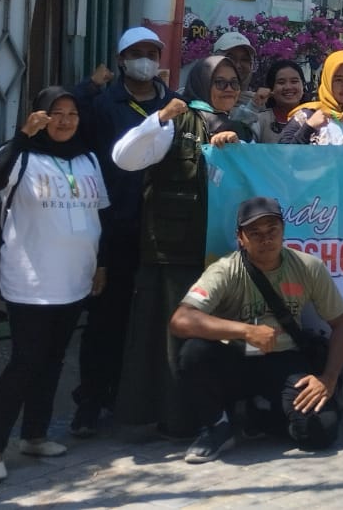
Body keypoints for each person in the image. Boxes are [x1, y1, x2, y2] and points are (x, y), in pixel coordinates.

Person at [110, 55, 254, 438]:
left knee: (219, 338)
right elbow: (124, 158)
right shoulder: (177, 121)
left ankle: (215, 414)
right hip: (174, 253)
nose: (228, 89)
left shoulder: (241, 128)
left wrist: (236, 147)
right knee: (168, 339)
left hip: (224, 254)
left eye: (233, 82)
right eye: (219, 81)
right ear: (201, 82)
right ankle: (172, 419)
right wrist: (157, 119)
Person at [0, 87, 109, 482]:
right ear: (39, 115)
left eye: (72, 113)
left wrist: (100, 264)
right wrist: (22, 137)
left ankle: (34, 434)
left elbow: (98, 214)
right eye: (56, 113)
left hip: (75, 278)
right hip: (31, 280)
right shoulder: (23, 155)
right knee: (25, 362)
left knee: (52, 361)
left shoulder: (87, 158)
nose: (64, 121)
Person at [169, 197, 343, 463]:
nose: (265, 239)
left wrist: (328, 378)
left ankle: (260, 417)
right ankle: (217, 426)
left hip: (284, 360)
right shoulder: (225, 270)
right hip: (234, 359)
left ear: (283, 231)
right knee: (193, 352)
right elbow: (180, 320)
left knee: (320, 431)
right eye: (254, 233)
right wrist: (245, 331)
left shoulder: (308, 267)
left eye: (272, 231)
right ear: (240, 238)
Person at [68, 26, 175, 437]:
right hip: (115, 228)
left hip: (164, 229)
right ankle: (91, 399)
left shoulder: (172, 103)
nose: (145, 58)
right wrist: (88, 86)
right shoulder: (102, 104)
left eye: (152, 51)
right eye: (137, 52)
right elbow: (69, 125)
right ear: (121, 60)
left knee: (153, 317)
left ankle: (141, 396)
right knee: (106, 319)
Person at [254, 60, 306, 144]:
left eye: (294, 81)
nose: (288, 87)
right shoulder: (260, 120)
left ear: (303, 85)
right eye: (281, 82)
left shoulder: (316, 118)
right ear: (271, 88)